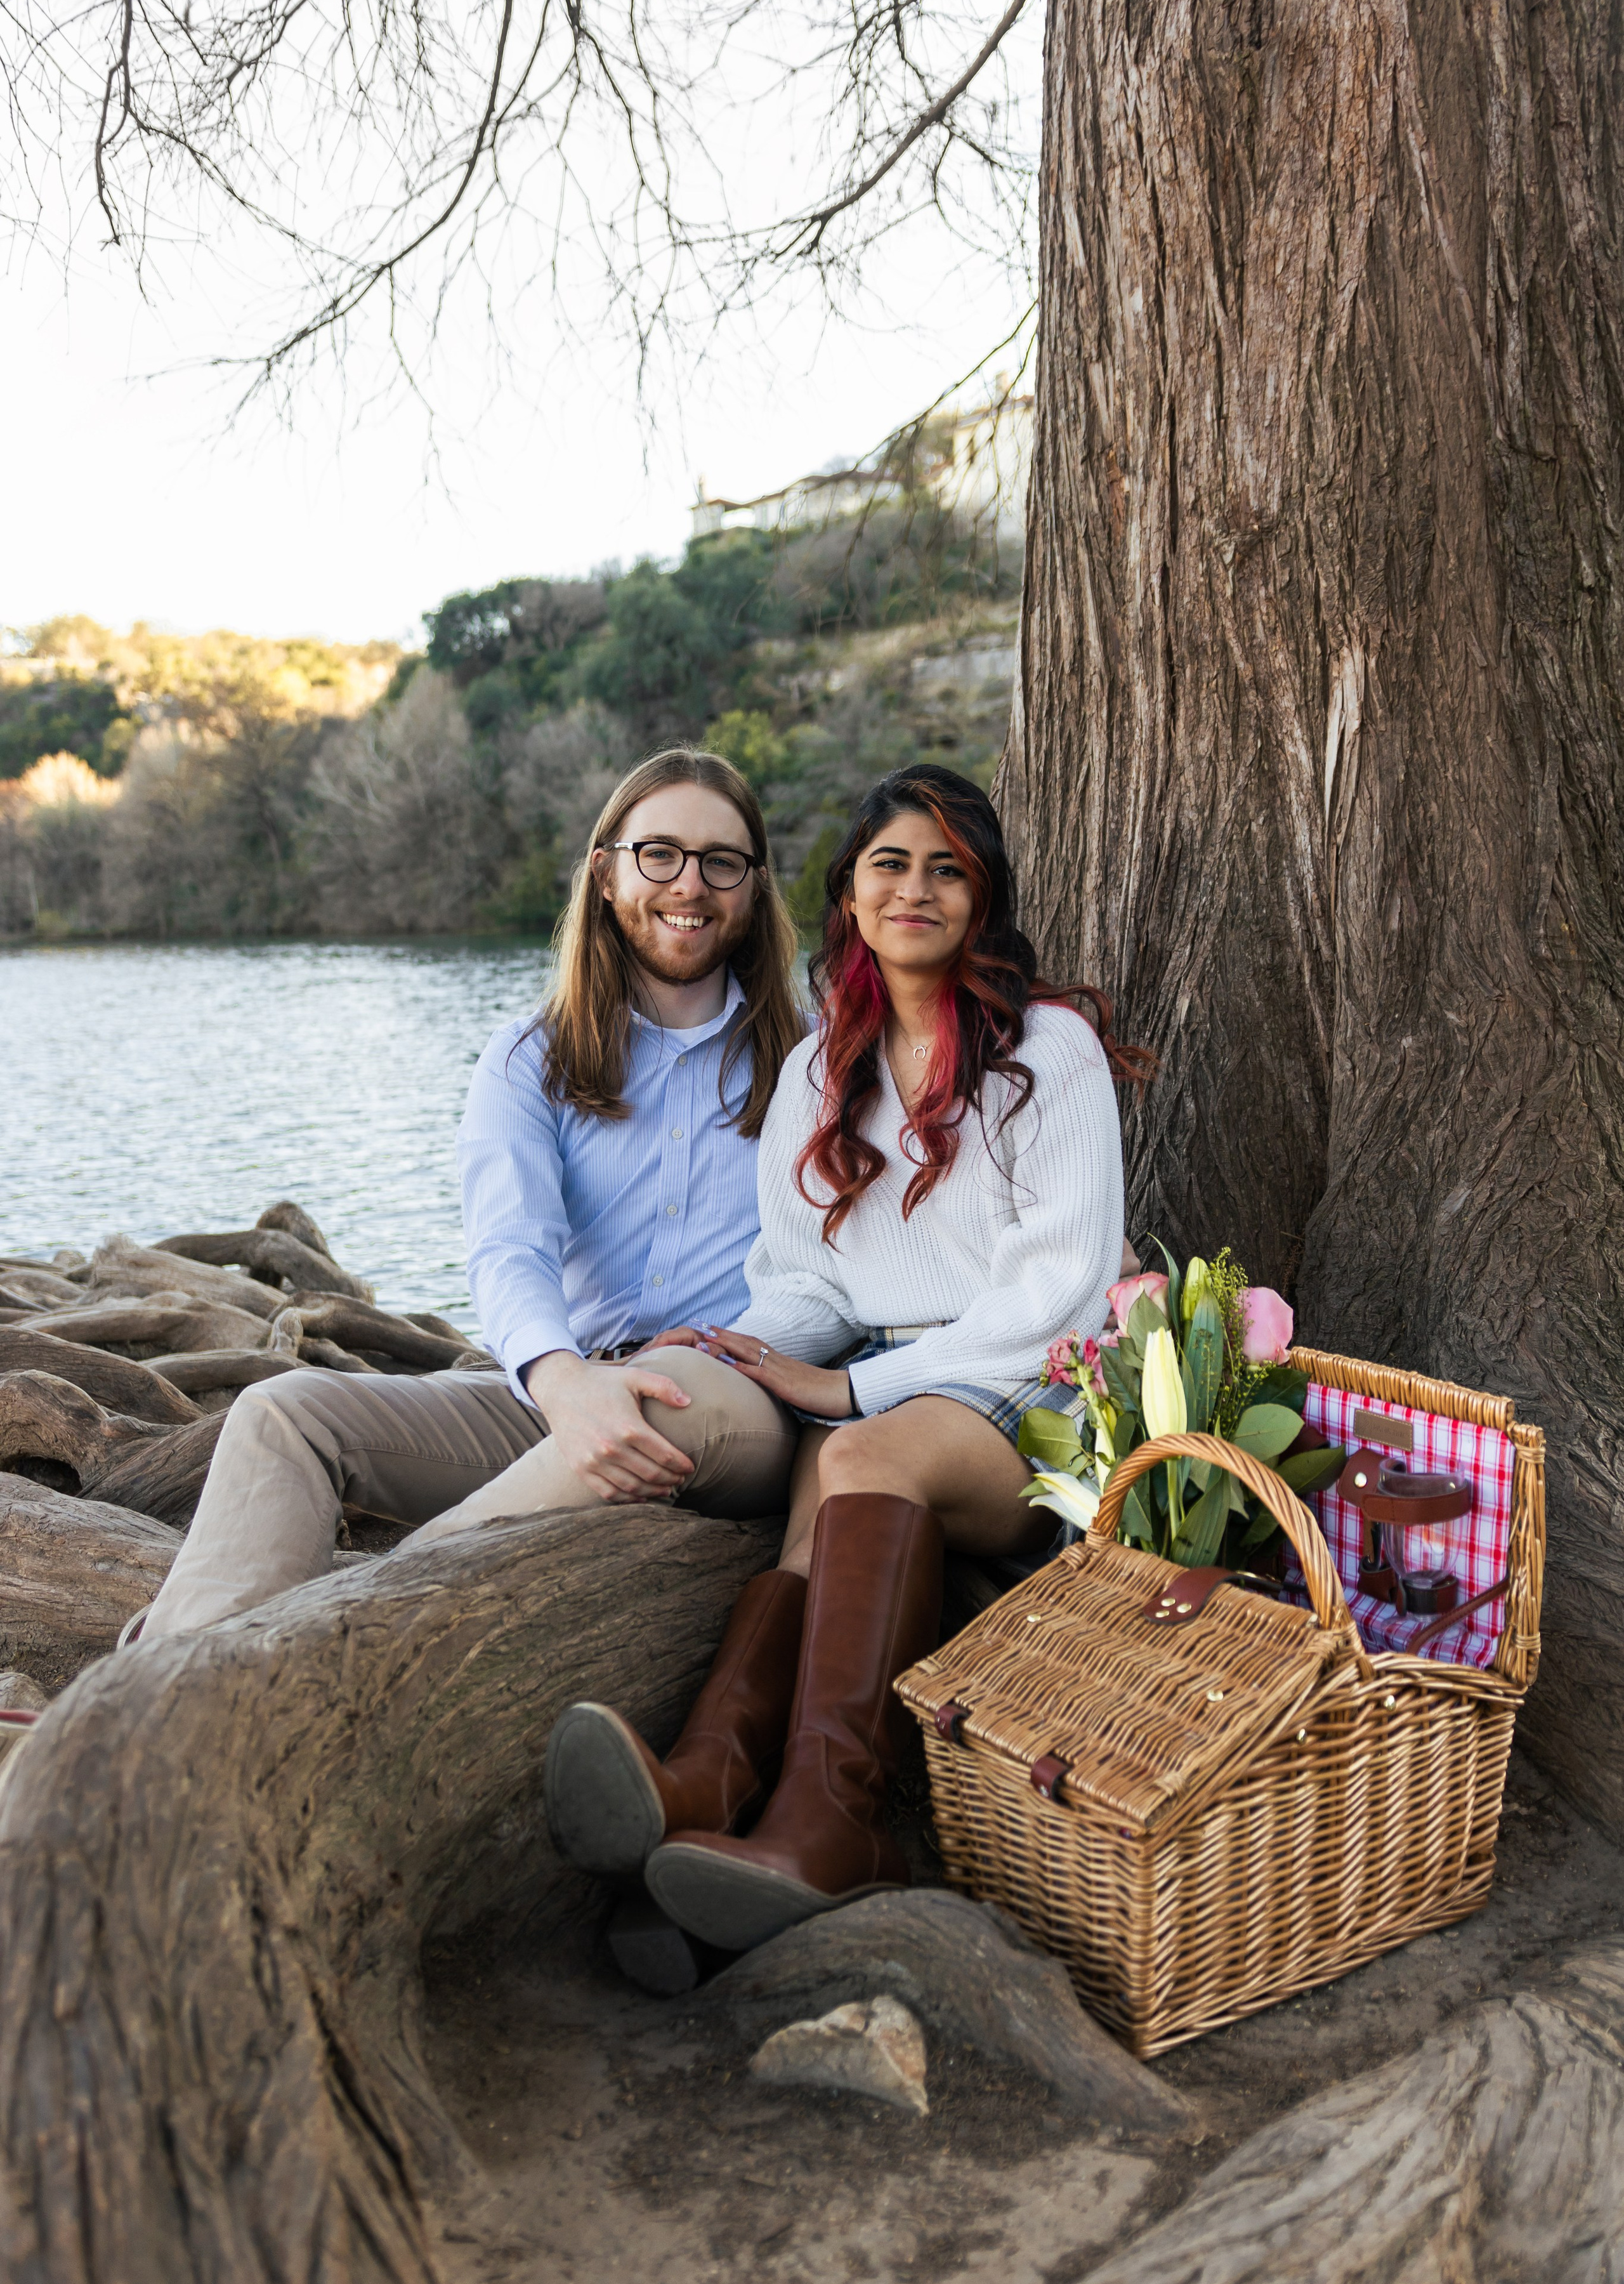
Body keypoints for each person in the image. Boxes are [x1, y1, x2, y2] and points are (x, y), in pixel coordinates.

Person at [545, 763, 1153, 1950]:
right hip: (883, 1401)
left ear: (983, 902)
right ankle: (714, 1783)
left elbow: (1055, 1295)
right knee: (827, 1480)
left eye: (947, 869)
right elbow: (811, 1280)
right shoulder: (823, 1068)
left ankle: (838, 1818)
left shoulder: (1050, 1052)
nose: (916, 888)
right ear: (850, 898)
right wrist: (748, 1346)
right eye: (891, 863)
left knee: (856, 1449)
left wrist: (850, 1386)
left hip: (1036, 1399)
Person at [136, 747, 807, 1641]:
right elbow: (511, 1250)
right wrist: (563, 1380)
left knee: (671, 1387)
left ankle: (348, 1618)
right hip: (565, 1389)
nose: (691, 883)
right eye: (660, 853)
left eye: (723, 860)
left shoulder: (816, 1055)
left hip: (737, 1407)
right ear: (606, 874)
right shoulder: (532, 1059)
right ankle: (163, 1679)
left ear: (754, 889)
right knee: (280, 1413)